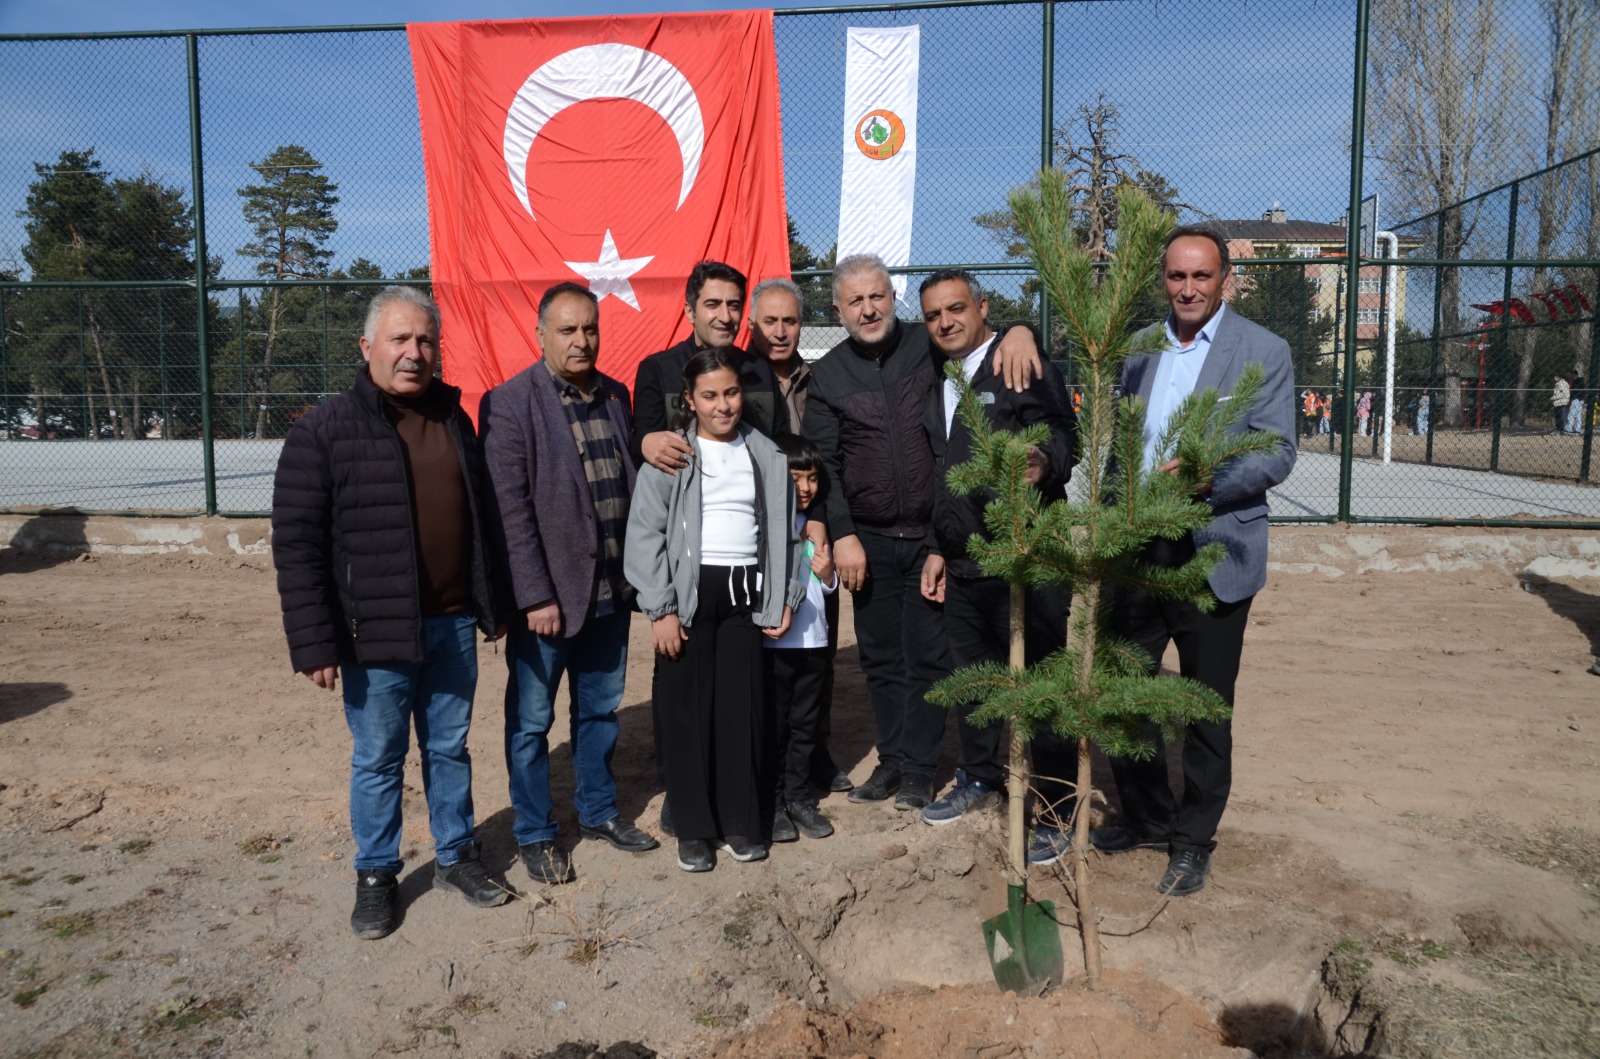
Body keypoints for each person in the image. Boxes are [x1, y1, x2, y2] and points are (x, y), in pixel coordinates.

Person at [1049, 227, 1296, 897]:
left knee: (1204, 706)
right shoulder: (1138, 349)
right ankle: (1149, 816)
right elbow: (1118, 450)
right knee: (1126, 693)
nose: (1188, 288)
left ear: (1225, 280)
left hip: (1214, 549)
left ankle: (1192, 840)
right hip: (1135, 546)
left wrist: (1206, 476)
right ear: (1163, 279)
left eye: (1202, 276)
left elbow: (1276, 451)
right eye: (1176, 276)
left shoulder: (1262, 350)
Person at [271, 286, 510, 940]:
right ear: (367, 347)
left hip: (453, 624)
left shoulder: (454, 419)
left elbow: (482, 520)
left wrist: (497, 603)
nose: (414, 352)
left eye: (425, 340)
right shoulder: (323, 431)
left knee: (449, 748)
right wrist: (314, 640)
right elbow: (297, 546)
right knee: (378, 757)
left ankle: (457, 855)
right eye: (400, 339)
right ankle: (377, 874)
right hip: (373, 635)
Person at [802, 253, 1042, 811]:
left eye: (877, 297)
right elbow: (826, 464)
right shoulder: (830, 374)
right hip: (869, 541)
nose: (868, 309)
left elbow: (978, 338)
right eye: (855, 301)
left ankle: (919, 768)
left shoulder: (925, 346)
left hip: (935, 538)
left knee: (930, 657)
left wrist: (1022, 329)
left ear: (894, 299)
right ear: (838, 310)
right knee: (882, 658)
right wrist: (843, 534)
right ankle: (891, 760)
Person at [480, 282, 659, 889]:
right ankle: (534, 832)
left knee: (599, 712)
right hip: (549, 603)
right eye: (567, 330)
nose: (581, 341)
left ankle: (599, 811)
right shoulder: (510, 404)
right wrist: (533, 595)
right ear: (541, 335)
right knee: (532, 723)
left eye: (590, 329)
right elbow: (511, 511)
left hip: (612, 592)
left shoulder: (615, 394)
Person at [625, 348, 807, 872]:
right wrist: (660, 608)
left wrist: (782, 598)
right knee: (687, 713)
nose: (723, 405)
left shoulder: (767, 455)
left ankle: (739, 823)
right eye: (710, 396)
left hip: (744, 596)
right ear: (690, 401)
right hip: (688, 595)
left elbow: (786, 536)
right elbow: (644, 536)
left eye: (730, 393)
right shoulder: (672, 455)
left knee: (740, 712)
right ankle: (692, 828)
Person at [914, 270, 1078, 827]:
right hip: (963, 560)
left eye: (956, 308)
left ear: (983, 307)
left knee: (1043, 680)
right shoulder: (939, 373)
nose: (946, 322)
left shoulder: (1017, 361)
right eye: (934, 314)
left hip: (1028, 554)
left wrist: (1045, 460)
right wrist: (940, 545)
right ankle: (981, 777)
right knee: (976, 676)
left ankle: (1055, 805)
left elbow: (1062, 430)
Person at [748, 277, 852, 798]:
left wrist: (823, 522)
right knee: (765, 663)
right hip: (757, 536)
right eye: (771, 321)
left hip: (815, 528)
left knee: (817, 649)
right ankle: (763, 764)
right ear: (753, 325)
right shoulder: (738, 379)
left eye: (791, 320)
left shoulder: (821, 380)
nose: (782, 331)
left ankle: (814, 755)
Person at [631, 261, 790, 474]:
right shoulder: (657, 370)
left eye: (733, 305)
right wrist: (644, 443)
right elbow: (643, 447)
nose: (725, 317)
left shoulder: (761, 370)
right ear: (690, 312)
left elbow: (780, 443)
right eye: (713, 305)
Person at [765, 434, 842, 841]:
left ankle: (798, 798)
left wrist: (829, 575)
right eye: (796, 479)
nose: (806, 489)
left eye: (811, 479)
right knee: (776, 725)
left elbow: (825, 586)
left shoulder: (817, 527)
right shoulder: (767, 526)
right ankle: (774, 802)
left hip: (813, 641)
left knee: (804, 723)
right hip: (776, 645)